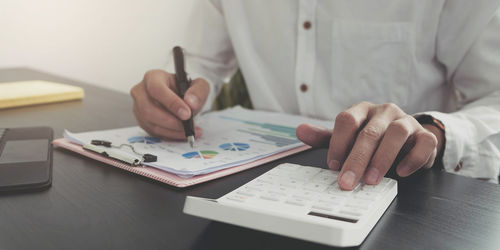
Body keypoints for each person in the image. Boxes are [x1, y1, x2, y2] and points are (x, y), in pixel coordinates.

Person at [130, 0, 500, 190]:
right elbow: (199, 62)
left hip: (402, 193)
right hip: (254, 186)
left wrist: (435, 131)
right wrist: (176, 96)